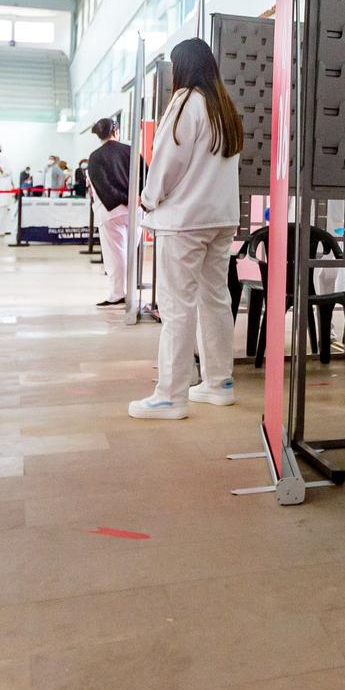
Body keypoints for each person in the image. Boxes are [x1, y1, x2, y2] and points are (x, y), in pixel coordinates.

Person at [129, 39, 242, 419]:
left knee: (177, 307)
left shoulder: (184, 103)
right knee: (215, 299)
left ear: (182, 67)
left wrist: (149, 197)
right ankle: (219, 382)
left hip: (185, 222)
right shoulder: (224, 107)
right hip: (221, 219)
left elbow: (167, 160)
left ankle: (170, 395)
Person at [85, 119, 133, 307]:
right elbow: (146, 175)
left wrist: (120, 199)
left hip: (110, 210)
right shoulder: (130, 150)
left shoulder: (95, 156)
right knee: (130, 254)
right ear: (117, 131)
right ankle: (130, 291)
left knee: (115, 255)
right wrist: (135, 199)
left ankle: (117, 294)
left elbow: (102, 185)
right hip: (135, 209)